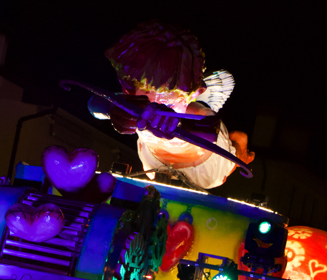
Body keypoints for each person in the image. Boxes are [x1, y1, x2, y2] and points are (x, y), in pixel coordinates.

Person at [95, 21, 255, 189]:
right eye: (141, 97)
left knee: (233, 157)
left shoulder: (199, 116)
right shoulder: (133, 95)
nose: (154, 106)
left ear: (195, 93)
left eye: (168, 103)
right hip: (155, 161)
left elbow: (207, 130)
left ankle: (239, 144)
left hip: (206, 166)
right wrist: (112, 109)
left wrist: (177, 127)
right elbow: (95, 103)